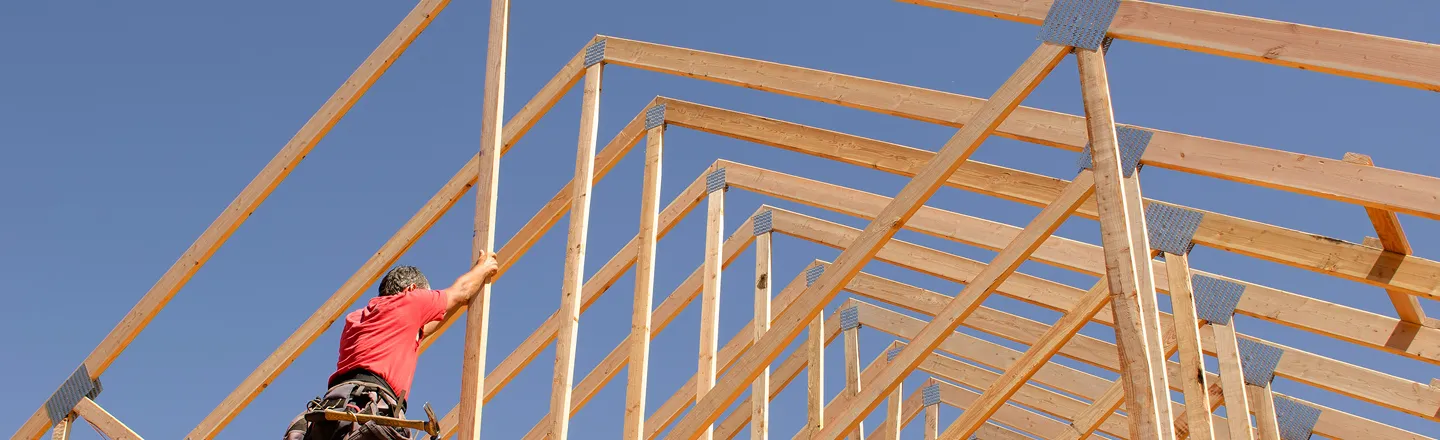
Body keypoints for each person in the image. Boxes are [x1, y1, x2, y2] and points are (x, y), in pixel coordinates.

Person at [284, 251, 501, 440]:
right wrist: (483, 268)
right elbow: (461, 291)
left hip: (333, 412)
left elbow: (427, 327)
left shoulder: (357, 318)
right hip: (371, 410)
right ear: (412, 289)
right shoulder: (410, 301)